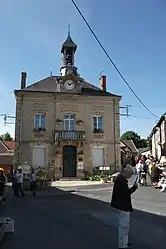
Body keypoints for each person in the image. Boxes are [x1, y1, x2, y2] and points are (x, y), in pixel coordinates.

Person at [111, 165, 138, 249]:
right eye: (130, 175)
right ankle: (123, 245)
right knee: (124, 226)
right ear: (126, 173)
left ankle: (124, 242)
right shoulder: (121, 181)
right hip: (123, 206)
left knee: (124, 226)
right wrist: (134, 188)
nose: (130, 177)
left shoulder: (120, 179)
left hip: (120, 205)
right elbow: (126, 194)